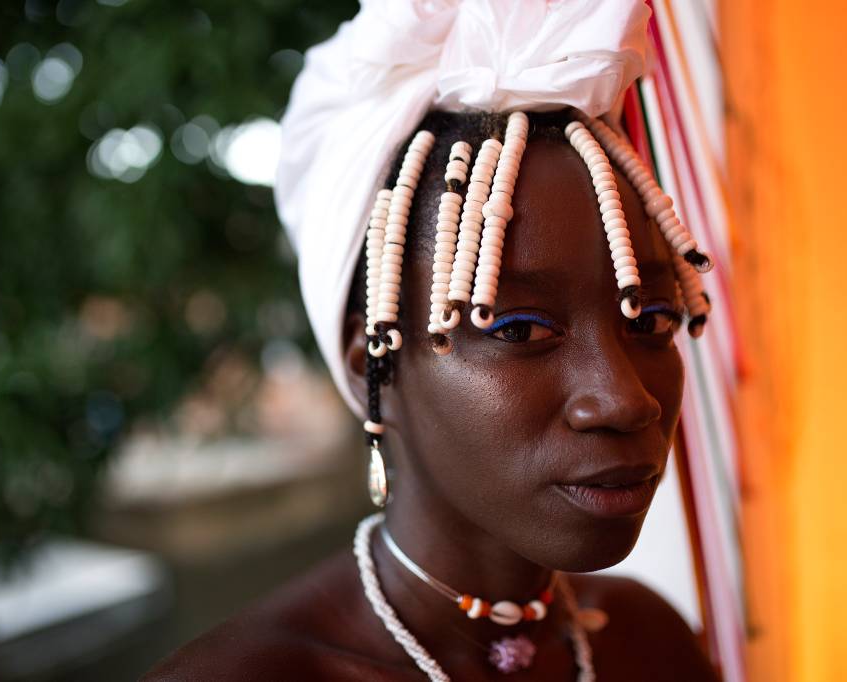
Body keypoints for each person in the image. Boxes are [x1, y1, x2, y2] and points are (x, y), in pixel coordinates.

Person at [145, 1, 719, 680]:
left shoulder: (649, 642)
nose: (625, 400)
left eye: (650, 318)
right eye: (520, 328)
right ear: (372, 368)